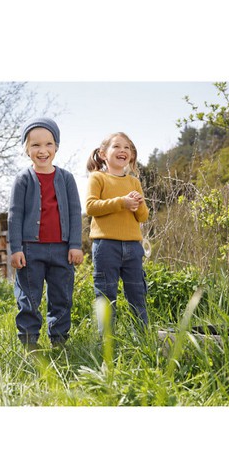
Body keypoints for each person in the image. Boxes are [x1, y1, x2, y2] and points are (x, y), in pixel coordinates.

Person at [8, 117, 83, 349]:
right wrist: (16, 249)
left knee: (61, 297)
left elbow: (74, 212)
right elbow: (15, 215)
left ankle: (59, 341)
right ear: (26, 149)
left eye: (48, 144)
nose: (43, 150)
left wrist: (75, 244)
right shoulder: (23, 179)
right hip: (30, 249)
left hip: (62, 249)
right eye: (35, 145)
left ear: (56, 146)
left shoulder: (67, 178)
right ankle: (29, 342)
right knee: (29, 298)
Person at [86, 132, 149, 333]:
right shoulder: (98, 177)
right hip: (106, 246)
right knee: (105, 295)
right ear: (104, 154)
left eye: (127, 148)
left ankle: (142, 339)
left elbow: (143, 216)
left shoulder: (134, 182)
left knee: (137, 294)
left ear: (131, 155)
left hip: (133, 246)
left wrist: (136, 204)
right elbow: (91, 206)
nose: (123, 150)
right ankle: (105, 343)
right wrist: (122, 202)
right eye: (117, 146)